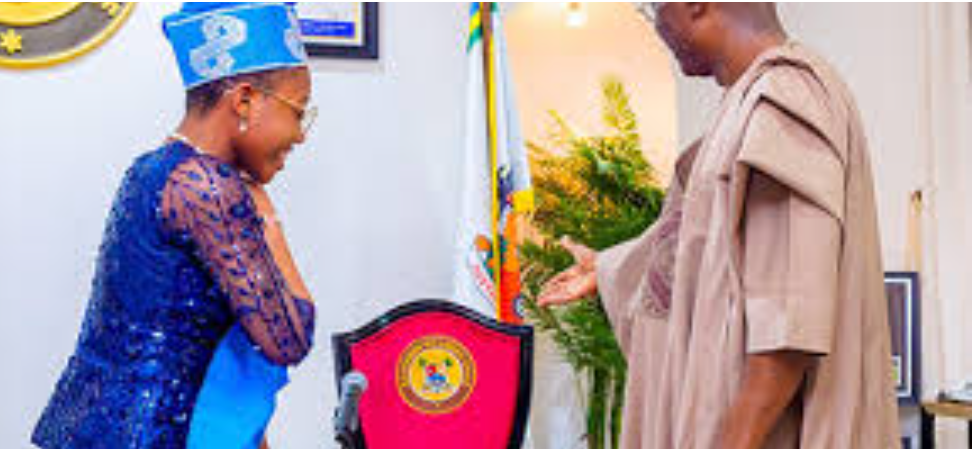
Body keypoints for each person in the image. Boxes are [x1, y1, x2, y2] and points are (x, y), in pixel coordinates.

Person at [538, 3, 899, 448]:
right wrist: (606, 268)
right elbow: (701, 248)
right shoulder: (749, 104)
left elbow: (789, 330)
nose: (655, 25)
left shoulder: (784, 99)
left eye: (654, 7)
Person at [32, 3, 317, 448]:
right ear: (244, 100)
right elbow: (289, 337)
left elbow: (203, 339)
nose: (300, 134)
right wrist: (266, 217)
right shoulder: (208, 185)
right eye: (298, 111)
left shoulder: (150, 168)